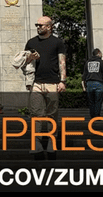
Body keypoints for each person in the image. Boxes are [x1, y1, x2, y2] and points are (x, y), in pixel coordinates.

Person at [24, 16, 66, 159]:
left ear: (49, 27)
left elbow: (62, 62)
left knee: (52, 115)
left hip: (53, 83)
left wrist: (63, 81)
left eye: (41, 25)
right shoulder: (31, 42)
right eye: (37, 25)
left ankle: (51, 142)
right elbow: (24, 62)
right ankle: (36, 143)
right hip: (36, 83)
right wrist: (30, 57)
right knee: (36, 114)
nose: (38, 27)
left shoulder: (57, 42)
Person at [82, 48, 103, 119]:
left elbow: (84, 75)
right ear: (98, 53)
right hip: (99, 83)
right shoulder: (102, 62)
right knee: (98, 101)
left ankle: (92, 115)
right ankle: (97, 115)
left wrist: (84, 85)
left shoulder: (87, 62)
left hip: (89, 83)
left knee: (91, 101)